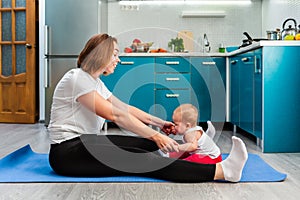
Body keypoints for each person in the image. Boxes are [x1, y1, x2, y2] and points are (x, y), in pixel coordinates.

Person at [48, 33, 248, 183]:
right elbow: (114, 114)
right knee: (146, 160)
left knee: (149, 147)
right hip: (67, 153)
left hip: (85, 143)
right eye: (115, 54)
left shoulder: (95, 82)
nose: (119, 59)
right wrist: (156, 135)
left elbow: (125, 108)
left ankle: (196, 159)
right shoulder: (77, 78)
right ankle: (223, 171)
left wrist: (159, 124)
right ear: (102, 55)